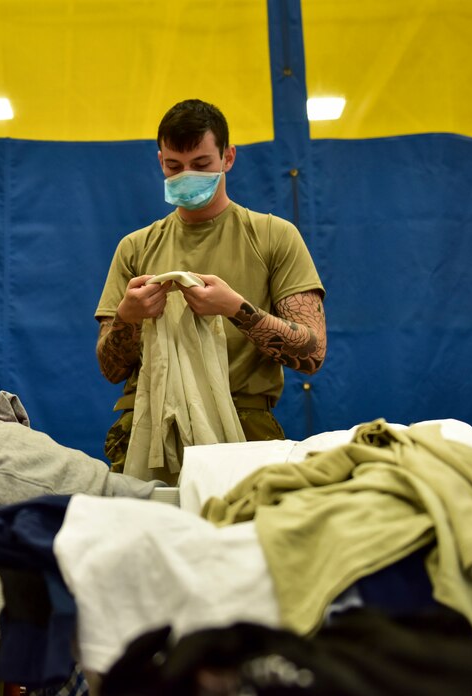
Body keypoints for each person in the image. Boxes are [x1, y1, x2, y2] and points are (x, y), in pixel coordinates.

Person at [95, 99, 326, 471]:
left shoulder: (274, 236)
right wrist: (128, 316)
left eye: (201, 165)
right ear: (161, 163)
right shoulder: (135, 247)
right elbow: (110, 369)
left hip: (243, 425)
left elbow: (312, 353)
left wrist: (237, 309)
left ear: (228, 158)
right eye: (174, 166)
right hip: (146, 425)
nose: (187, 175)